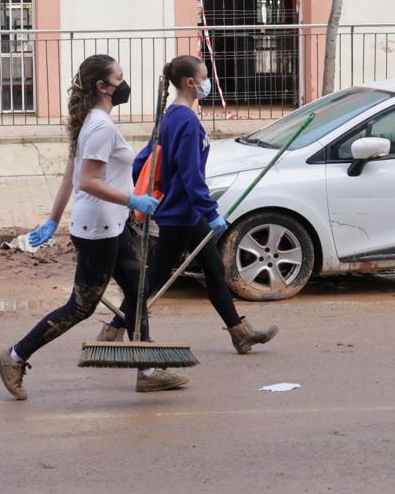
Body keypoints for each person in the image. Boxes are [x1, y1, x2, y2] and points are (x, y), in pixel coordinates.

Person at [0, 54, 190, 400]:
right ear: (102, 86)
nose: (124, 84)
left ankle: (147, 371)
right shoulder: (100, 127)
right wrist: (134, 201)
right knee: (81, 307)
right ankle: (14, 357)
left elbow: (71, 173)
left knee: (137, 293)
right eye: (119, 78)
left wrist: (53, 219)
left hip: (112, 225)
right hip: (99, 230)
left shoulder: (91, 121)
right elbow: (86, 180)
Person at [111, 54, 278, 354]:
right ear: (190, 82)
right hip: (181, 212)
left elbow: (142, 161)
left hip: (181, 211)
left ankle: (239, 333)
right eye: (204, 79)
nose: (207, 84)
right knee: (156, 276)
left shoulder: (171, 115)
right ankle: (113, 330)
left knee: (214, 269)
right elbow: (191, 175)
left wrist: (157, 196)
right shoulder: (186, 120)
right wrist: (211, 212)